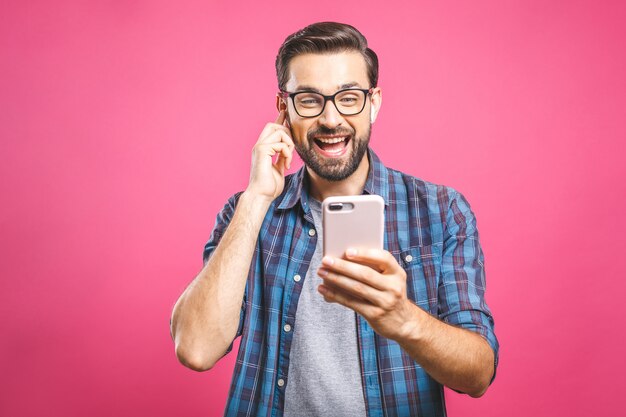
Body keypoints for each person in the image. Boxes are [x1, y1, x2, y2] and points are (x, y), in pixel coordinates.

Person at [170, 22, 499, 417]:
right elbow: (196, 348)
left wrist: (402, 319)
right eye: (309, 99)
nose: (330, 119)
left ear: (374, 102)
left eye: (348, 97)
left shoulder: (441, 212)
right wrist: (256, 198)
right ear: (284, 108)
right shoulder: (246, 213)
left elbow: (478, 374)